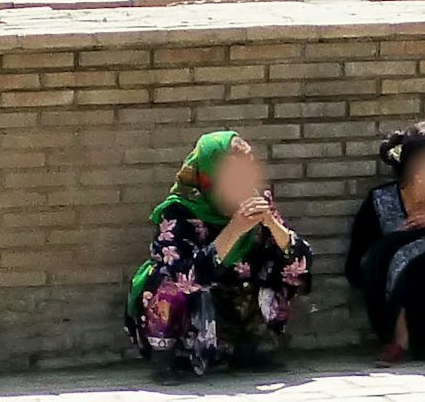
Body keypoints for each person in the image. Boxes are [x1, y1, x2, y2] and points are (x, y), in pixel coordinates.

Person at [124, 129, 312, 379]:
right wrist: (235, 229)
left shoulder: (257, 200)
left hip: (229, 296)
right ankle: (166, 358)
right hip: (190, 310)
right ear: (210, 177)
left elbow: (302, 261)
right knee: (167, 284)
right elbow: (185, 276)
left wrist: (270, 223)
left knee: (284, 267)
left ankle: (245, 347)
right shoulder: (178, 210)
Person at [346, 122, 425, 362]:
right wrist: (393, 252)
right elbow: (355, 266)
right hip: (392, 298)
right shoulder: (380, 202)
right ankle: (400, 339)